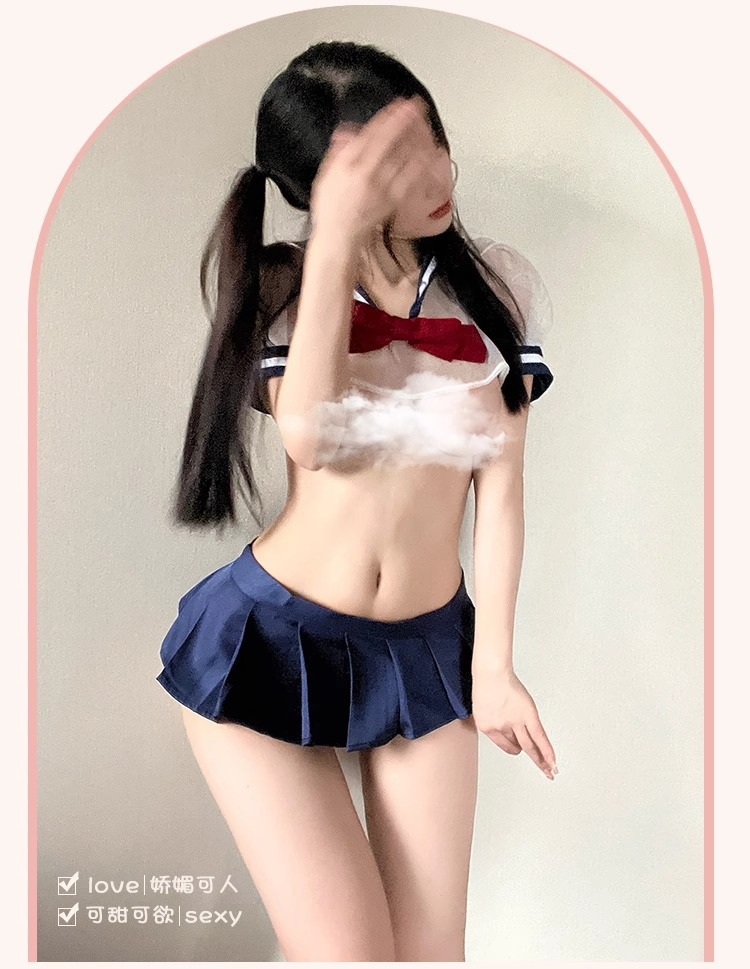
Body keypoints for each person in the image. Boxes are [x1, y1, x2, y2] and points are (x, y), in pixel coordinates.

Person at [155, 40, 559, 962]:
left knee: (430, 955)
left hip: (428, 651)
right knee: (348, 954)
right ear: (324, 190)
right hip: (270, 643)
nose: (436, 174)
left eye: (432, 140)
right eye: (394, 165)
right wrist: (334, 245)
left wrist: (495, 666)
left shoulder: (497, 284)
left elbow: (501, 485)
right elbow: (311, 437)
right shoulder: (282, 288)